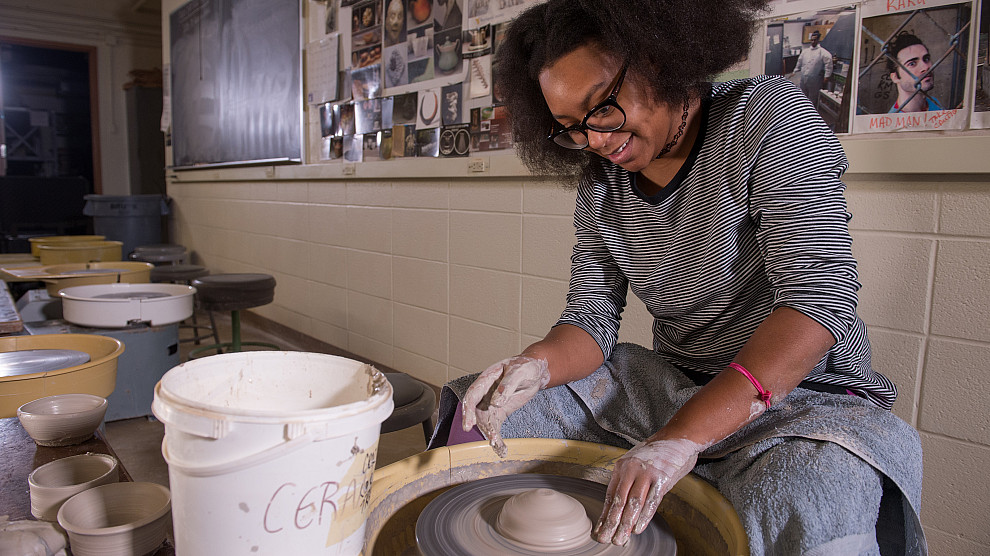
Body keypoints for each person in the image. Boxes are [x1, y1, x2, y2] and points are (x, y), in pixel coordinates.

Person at [428, 1, 926, 554]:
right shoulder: (603, 183)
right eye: (571, 127)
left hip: (798, 397)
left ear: (659, 60)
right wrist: (534, 365)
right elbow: (589, 322)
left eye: (602, 108)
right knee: (487, 413)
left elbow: (816, 306)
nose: (594, 140)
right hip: (673, 382)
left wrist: (675, 440)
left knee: (804, 493)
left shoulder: (768, 117)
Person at [887, 32, 943, 113]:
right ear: (895, 77)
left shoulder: (934, 103)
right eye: (912, 64)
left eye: (926, 59)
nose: (925, 67)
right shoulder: (893, 122)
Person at [792, 30, 832, 104]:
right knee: (802, 96)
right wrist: (795, 71)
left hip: (815, 80)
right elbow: (799, 62)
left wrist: (826, 76)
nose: (813, 41)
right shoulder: (805, 51)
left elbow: (828, 65)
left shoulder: (823, 52)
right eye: (812, 40)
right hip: (804, 79)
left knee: (812, 98)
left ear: (818, 40)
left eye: (815, 40)